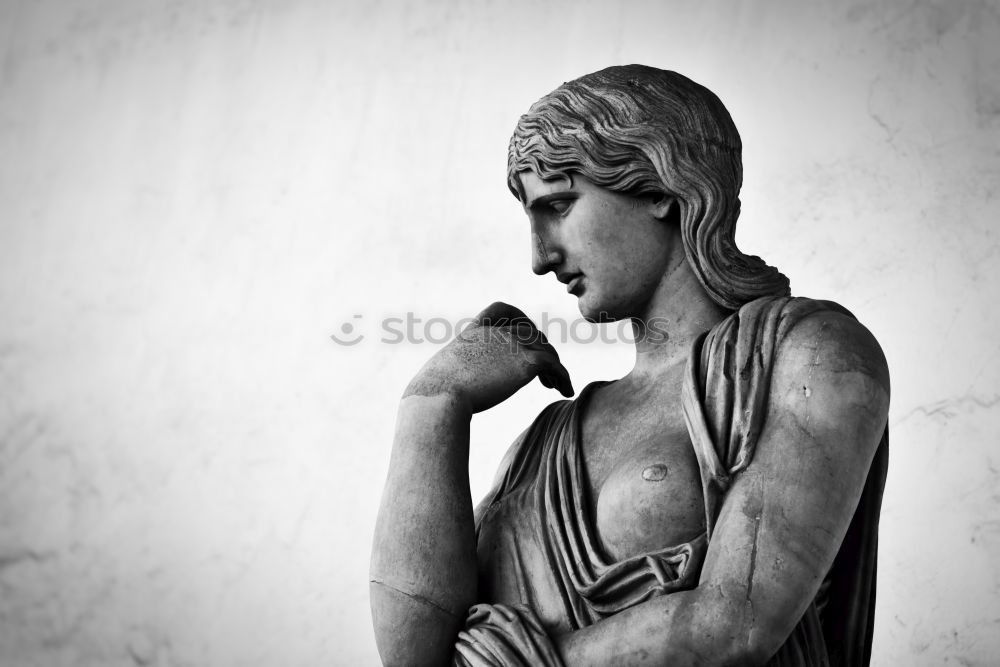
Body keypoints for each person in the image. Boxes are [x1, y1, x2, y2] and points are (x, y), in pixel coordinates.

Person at [370, 65, 890, 666]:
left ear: (660, 188)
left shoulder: (805, 354)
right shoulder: (545, 442)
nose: (539, 257)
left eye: (559, 205)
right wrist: (432, 404)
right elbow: (414, 659)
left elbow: (738, 624)